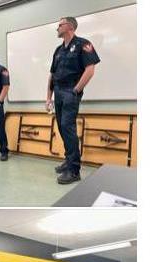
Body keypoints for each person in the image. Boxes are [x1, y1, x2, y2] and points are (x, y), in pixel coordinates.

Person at [46, 16, 100, 184]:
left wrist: (76, 90)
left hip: (71, 91)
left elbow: (90, 70)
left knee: (68, 128)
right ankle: (69, 160)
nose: (57, 28)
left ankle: (74, 170)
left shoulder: (83, 44)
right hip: (58, 92)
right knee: (62, 127)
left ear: (69, 26)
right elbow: (52, 75)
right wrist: (48, 97)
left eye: (59, 25)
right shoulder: (58, 49)